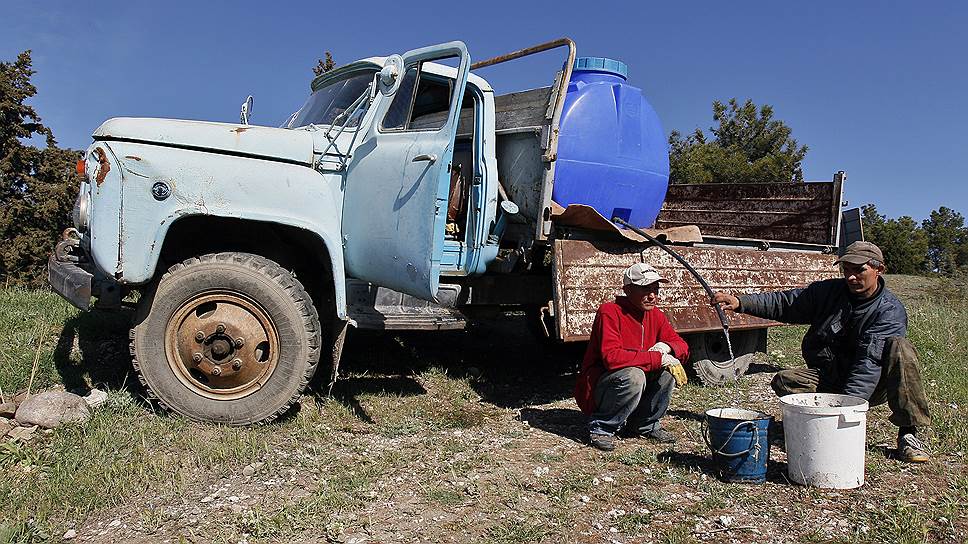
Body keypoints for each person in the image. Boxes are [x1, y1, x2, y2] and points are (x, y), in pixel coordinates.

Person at [711, 241, 932, 463]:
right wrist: (741, 302)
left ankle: (908, 434)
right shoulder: (828, 292)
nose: (851, 277)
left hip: (876, 383)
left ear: (879, 270)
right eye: (847, 270)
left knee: (901, 349)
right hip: (832, 376)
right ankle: (815, 421)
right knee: (785, 380)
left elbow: (868, 365)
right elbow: (787, 303)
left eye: (859, 270)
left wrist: (843, 414)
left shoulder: (889, 311)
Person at [574, 263, 689, 451]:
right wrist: (655, 358)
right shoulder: (609, 311)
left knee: (667, 372)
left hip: (628, 382)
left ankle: (644, 425)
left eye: (655, 289)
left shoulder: (656, 315)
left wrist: (668, 347)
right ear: (628, 290)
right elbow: (611, 357)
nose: (652, 295)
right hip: (599, 387)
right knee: (634, 376)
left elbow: (682, 346)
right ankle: (601, 427)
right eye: (645, 288)